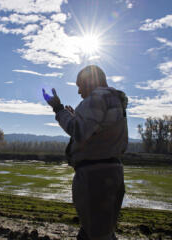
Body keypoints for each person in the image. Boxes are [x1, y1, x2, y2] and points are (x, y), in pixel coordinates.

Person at [43, 65, 128, 240]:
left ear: (91, 81)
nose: (79, 91)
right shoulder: (114, 100)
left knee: (95, 234)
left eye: (80, 85)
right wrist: (77, 117)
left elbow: (80, 132)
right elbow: (97, 132)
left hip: (95, 177)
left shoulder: (97, 98)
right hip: (112, 173)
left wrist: (58, 109)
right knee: (101, 232)